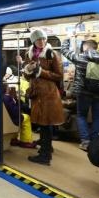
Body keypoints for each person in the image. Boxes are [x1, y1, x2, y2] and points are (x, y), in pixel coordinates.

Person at [17, 29, 64, 166]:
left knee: (46, 123)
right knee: (42, 123)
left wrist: (40, 72)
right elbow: (27, 76)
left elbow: (59, 75)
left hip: (48, 94)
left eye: (43, 39)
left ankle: (45, 156)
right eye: (38, 40)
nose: (42, 42)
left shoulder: (51, 54)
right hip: (36, 94)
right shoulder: (29, 54)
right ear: (34, 42)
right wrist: (27, 70)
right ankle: (46, 147)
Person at [61, 37, 99, 151]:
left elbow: (64, 51)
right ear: (96, 47)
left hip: (83, 92)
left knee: (81, 116)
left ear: (85, 46)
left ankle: (85, 142)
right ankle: (96, 141)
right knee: (97, 118)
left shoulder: (81, 57)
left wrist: (68, 39)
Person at [2, 83, 34, 148]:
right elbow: (15, 112)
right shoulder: (8, 98)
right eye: (8, 87)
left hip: (5, 118)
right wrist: (16, 101)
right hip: (11, 120)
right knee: (26, 118)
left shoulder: (1, 97)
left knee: (20, 117)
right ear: (6, 89)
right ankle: (26, 141)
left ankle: (14, 138)